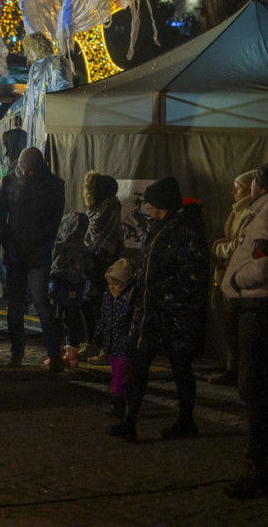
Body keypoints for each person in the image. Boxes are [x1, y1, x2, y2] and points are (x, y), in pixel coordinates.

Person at [109, 176, 208, 443]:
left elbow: (192, 275)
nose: (147, 207)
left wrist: (161, 296)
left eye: (150, 203)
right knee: (138, 366)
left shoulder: (186, 230)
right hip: (149, 313)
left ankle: (186, 421)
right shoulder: (158, 227)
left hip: (173, 314)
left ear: (161, 204)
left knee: (180, 367)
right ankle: (129, 421)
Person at [221, 161, 268, 498]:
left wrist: (237, 281)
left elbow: (263, 262)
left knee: (255, 389)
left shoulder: (267, 215)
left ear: (261, 186)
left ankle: (257, 467)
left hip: (257, 305)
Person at [0, 147, 65, 368]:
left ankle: (54, 355)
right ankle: (17, 352)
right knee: (15, 304)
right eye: (23, 170)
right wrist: (6, 239)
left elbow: (55, 219)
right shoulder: (9, 181)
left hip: (39, 252)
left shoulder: (54, 184)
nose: (25, 174)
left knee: (40, 301)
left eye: (30, 171)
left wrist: (45, 242)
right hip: (15, 251)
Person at [209, 170, 255, 386]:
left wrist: (219, 248)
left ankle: (239, 370)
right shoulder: (238, 212)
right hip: (229, 275)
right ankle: (233, 366)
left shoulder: (251, 213)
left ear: (248, 188)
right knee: (228, 324)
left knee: (236, 326)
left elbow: (241, 246)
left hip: (239, 277)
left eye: (237, 187)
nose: (233, 191)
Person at [80, 171, 123, 363]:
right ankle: (92, 344)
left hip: (103, 264)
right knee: (88, 304)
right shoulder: (99, 209)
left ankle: (107, 349)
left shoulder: (109, 208)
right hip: (94, 264)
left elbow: (98, 237)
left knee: (103, 307)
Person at [46, 212, 92, 370]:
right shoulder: (83, 248)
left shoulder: (59, 247)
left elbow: (54, 267)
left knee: (56, 320)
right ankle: (72, 354)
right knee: (72, 321)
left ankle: (56, 355)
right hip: (77, 290)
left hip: (60, 288)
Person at [96, 258, 136, 419]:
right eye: (109, 283)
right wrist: (99, 335)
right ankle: (120, 400)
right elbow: (103, 318)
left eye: (116, 283)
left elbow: (133, 323)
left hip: (124, 344)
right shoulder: (108, 297)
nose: (112, 287)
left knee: (120, 374)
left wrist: (130, 340)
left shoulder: (129, 300)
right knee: (117, 372)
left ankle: (118, 402)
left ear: (125, 283)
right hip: (112, 343)